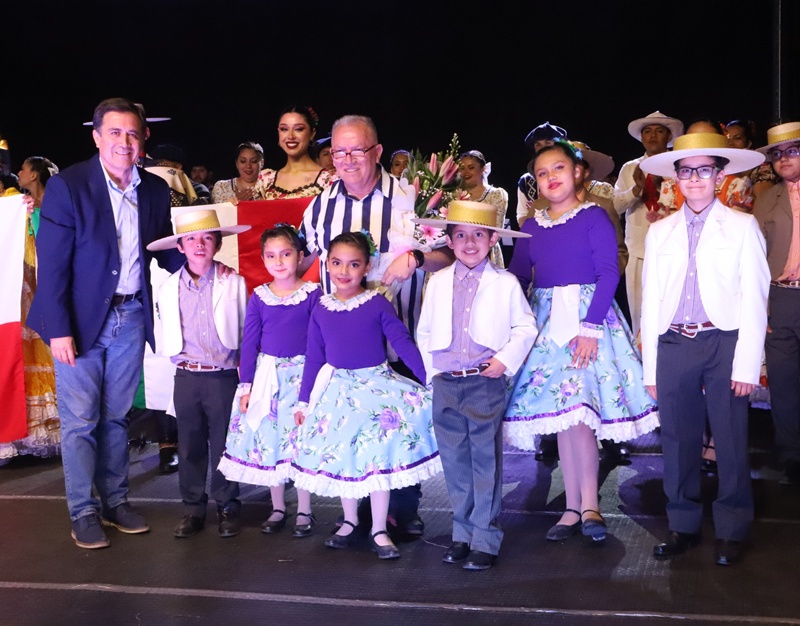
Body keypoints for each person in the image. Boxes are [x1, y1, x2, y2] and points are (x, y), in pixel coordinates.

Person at [26, 97, 185, 549]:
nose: (124, 142)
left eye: (132, 133)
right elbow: (51, 266)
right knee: (80, 422)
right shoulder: (69, 186)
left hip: (131, 315)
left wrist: (203, 261)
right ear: (96, 137)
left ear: (144, 138)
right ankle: (83, 511)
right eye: (114, 132)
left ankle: (116, 502)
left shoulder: (155, 189)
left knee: (116, 419)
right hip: (77, 322)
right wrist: (59, 330)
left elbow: (165, 249)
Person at [298, 114, 454, 536]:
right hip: (347, 351)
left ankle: (402, 508)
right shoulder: (320, 205)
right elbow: (300, 257)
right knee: (354, 428)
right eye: (339, 152)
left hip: (402, 335)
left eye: (358, 150)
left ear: (378, 151)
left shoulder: (410, 197)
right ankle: (358, 512)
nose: (348, 160)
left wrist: (417, 258)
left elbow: (449, 254)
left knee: (397, 429)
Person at [505, 141, 659, 544]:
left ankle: (589, 504)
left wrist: (590, 327)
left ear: (577, 173)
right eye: (542, 173)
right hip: (545, 323)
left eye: (558, 168)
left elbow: (608, 272)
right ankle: (572, 507)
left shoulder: (594, 216)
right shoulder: (531, 226)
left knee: (580, 417)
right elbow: (518, 277)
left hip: (588, 320)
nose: (551, 177)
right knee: (564, 419)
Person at [640, 133, 769, 566]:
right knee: (678, 437)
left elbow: (754, 299)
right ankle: (683, 524)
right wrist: (651, 369)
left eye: (704, 170)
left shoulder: (742, 226)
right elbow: (651, 300)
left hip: (723, 341)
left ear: (720, 175)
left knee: (730, 437)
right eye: (686, 171)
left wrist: (747, 364)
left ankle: (731, 528)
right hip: (674, 341)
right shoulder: (660, 231)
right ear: (675, 178)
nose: (695, 178)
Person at [292, 231, 441, 560]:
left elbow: (402, 343)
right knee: (345, 456)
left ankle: (378, 528)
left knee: (377, 460)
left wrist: (428, 380)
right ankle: (349, 521)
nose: (344, 271)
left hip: (376, 389)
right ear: (327, 265)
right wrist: (304, 401)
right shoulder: (321, 308)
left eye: (354, 264)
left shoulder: (376, 303)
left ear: (367, 267)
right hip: (337, 394)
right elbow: (314, 357)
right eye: (337, 263)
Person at [415, 201, 537, 571]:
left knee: (485, 461)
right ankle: (462, 533)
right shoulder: (438, 282)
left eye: (479, 235)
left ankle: (484, 536)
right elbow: (424, 330)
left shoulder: (505, 283)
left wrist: (503, 362)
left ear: (492, 239)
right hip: (446, 382)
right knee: (455, 461)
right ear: (449, 241)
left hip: (483, 382)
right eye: (461, 235)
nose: (470, 243)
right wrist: (432, 371)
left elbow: (525, 327)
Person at [147, 208, 250, 538]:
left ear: (218, 244)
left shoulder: (233, 282)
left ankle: (227, 505)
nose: (199, 244)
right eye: (191, 239)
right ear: (180, 247)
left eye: (207, 238)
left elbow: (246, 329)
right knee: (190, 445)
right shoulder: (168, 287)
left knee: (224, 444)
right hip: (187, 375)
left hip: (222, 375)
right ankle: (193, 508)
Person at [218, 225, 321, 537]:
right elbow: (250, 343)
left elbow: (318, 342)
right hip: (268, 379)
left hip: (302, 377)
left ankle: (305, 509)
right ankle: (277, 507)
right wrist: (246, 386)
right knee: (271, 441)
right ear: (263, 259)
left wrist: (312, 387)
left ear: (300, 256)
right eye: (271, 256)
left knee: (299, 443)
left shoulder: (313, 294)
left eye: (286, 254)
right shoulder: (260, 297)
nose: (279, 262)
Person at [0, 157, 60, 463]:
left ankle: (27, 435)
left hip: (22, 289)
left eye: (25, 169)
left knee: (22, 355)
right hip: (13, 288)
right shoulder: (13, 203)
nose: (20, 173)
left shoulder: (16, 202)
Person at [753, 121, 800, 487]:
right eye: (777, 154)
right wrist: (760, 305)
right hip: (780, 298)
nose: (784, 158)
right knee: (783, 384)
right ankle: (792, 456)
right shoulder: (767, 199)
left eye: (793, 150)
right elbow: (754, 259)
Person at [613, 111, 684, 338]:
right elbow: (615, 206)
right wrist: (637, 189)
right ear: (641, 137)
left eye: (659, 131)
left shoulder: (679, 165)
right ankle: (642, 357)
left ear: (669, 137)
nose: (653, 136)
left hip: (674, 248)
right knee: (639, 313)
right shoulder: (630, 168)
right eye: (647, 131)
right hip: (639, 250)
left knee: (673, 309)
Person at [659, 120, 754, 213]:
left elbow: (735, 221)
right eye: (694, 140)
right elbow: (671, 219)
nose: (699, 146)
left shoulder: (737, 185)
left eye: (707, 141)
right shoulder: (671, 186)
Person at [254, 105, 336, 200]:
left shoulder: (329, 180)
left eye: (298, 129)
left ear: (312, 134)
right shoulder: (266, 181)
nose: (291, 136)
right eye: (284, 129)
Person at [459, 150, 508, 267]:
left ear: (483, 169)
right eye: (462, 168)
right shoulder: (453, 195)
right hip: (455, 252)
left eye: (471, 167)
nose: (465, 172)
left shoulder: (496, 194)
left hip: (486, 254)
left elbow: (497, 230)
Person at [516, 121, 568, 227]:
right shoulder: (526, 181)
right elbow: (522, 217)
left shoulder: (569, 175)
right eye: (538, 145)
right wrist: (536, 212)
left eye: (548, 143)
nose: (543, 148)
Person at [726, 119, 777, 200]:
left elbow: (765, 202)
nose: (730, 143)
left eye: (737, 138)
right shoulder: (720, 167)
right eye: (727, 139)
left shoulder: (761, 169)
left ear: (749, 143)